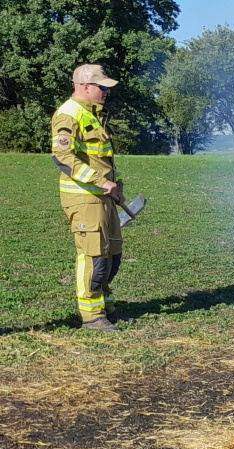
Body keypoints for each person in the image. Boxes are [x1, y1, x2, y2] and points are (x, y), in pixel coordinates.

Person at [52, 64, 126, 332]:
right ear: (85, 87)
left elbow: (103, 158)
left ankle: (106, 307)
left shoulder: (93, 114)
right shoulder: (69, 114)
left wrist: (117, 187)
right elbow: (62, 156)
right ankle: (92, 316)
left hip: (104, 197)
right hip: (84, 197)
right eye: (102, 86)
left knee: (112, 254)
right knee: (94, 256)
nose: (107, 91)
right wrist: (99, 181)